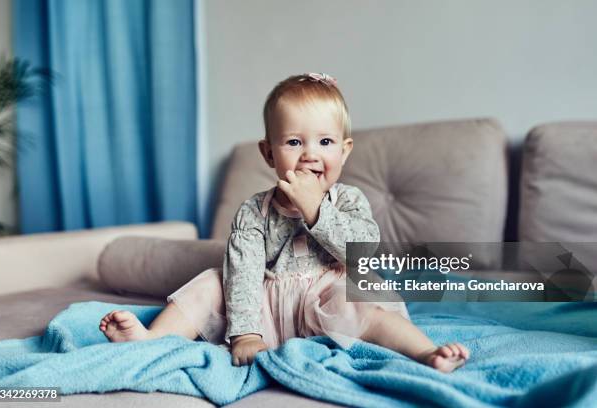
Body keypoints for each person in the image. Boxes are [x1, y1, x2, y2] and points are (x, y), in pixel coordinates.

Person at [99, 73, 470, 372]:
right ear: (268, 153)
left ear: (344, 151)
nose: (310, 154)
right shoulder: (253, 212)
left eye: (325, 141)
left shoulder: (348, 200)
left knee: (364, 303)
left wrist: (316, 210)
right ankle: (153, 339)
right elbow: (243, 273)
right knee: (213, 280)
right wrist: (245, 334)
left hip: (329, 301)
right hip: (267, 313)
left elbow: (363, 251)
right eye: (294, 142)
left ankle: (425, 353)